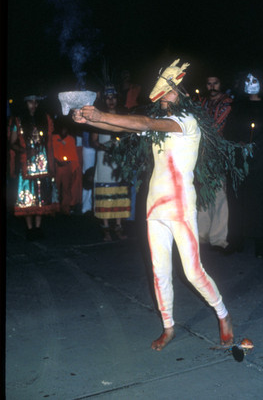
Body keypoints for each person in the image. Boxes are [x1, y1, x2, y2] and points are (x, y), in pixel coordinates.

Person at [72, 59, 235, 351]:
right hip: (154, 207)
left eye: (170, 91)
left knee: (193, 271)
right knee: (159, 270)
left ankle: (223, 315)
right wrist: (90, 119)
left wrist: (99, 113)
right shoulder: (159, 126)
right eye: (161, 92)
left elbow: (145, 122)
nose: (164, 96)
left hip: (181, 207)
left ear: (181, 93)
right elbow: (127, 125)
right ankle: (168, 326)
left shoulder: (187, 122)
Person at [224, 70, 263, 258]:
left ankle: (262, 242)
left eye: (255, 80)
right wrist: (237, 143)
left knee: (259, 203)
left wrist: (253, 144)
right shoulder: (237, 106)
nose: (250, 83)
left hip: (260, 162)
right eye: (247, 79)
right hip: (238, 161)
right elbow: (229, 130)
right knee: (236, 200)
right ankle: (235, 239)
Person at [9, 94, 60, 239]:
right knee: (27, 197)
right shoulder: (18, 121)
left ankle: (38, 228)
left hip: (43, 166)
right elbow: (12, 143)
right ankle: (30, 228)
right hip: (27, 166)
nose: (34, 105)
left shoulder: (44, 120)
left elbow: (48, 143)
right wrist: (24, 150)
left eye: (36, 102)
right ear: (25, 103)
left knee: (41, 197)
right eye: (30, 102)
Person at [197, 75, 233, 250]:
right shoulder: (202, 102)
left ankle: (218, 238)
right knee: (203, 192)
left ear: (221, 84)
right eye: (209, 84)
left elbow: (216, 127)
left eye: (215, 83)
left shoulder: (227, 102)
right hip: (202, 153)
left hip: (218, 153)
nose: (212, 87)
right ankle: (201, 234)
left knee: (219, 195)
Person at [91, 85, 130, 242]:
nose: (111, 100)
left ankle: (118, 226)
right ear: (104, 100)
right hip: (104, 160)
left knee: (118, 192)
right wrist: (105, 148)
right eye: (107, 98)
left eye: (113, 97)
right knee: (105, 193)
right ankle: (105, 228)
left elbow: (129, 138)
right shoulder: (98, 116)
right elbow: (93, 141)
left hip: (119, 160)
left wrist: (122, 149)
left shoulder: (123, 117)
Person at [52, 116, 82, 215]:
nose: (63, 131)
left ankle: (66, 208)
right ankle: (54, 208)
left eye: (65, 129)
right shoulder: (54, 138)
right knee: (55, 188)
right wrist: (56, 161)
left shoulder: (70, 139)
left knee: (66, 189)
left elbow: (73, 155)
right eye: (61, 128)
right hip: (56, 167)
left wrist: (70, 164)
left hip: (67, 167)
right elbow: (51, 152)